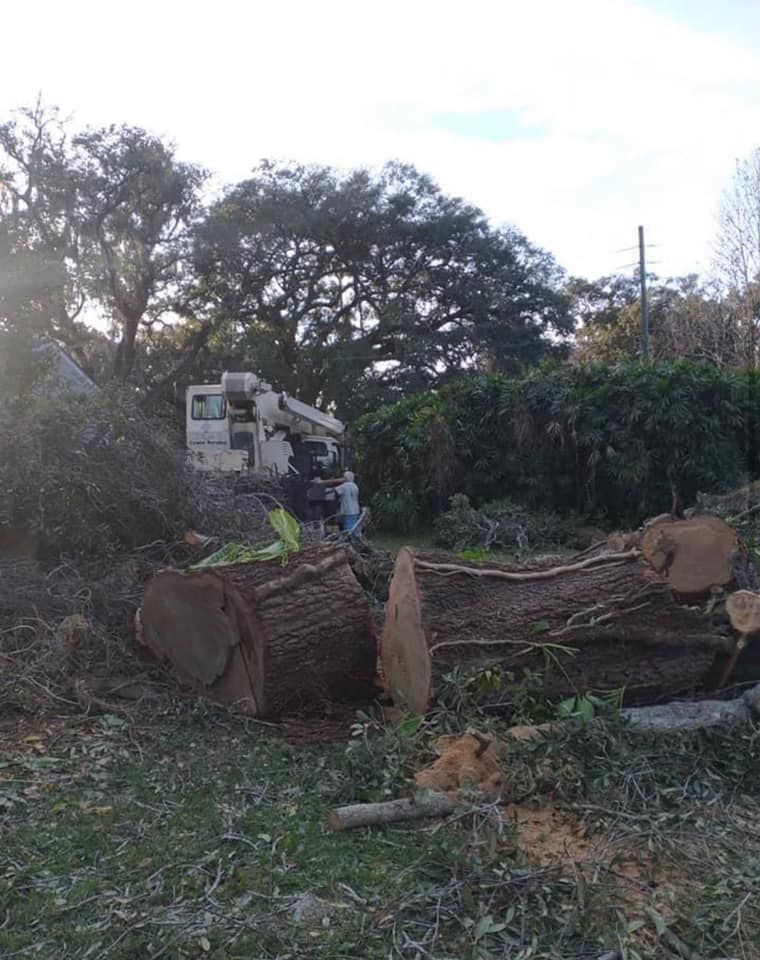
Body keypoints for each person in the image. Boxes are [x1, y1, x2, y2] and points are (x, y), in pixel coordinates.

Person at [325, 470, 361, 538]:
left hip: (349, 509)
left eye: (344, 477)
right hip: (355, 509)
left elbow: (334, 490)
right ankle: (355, 539)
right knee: (354, 525)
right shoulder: (355, 485)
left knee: (349, 527)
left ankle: (350, 540)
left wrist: (324, 491)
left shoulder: (345, 486)